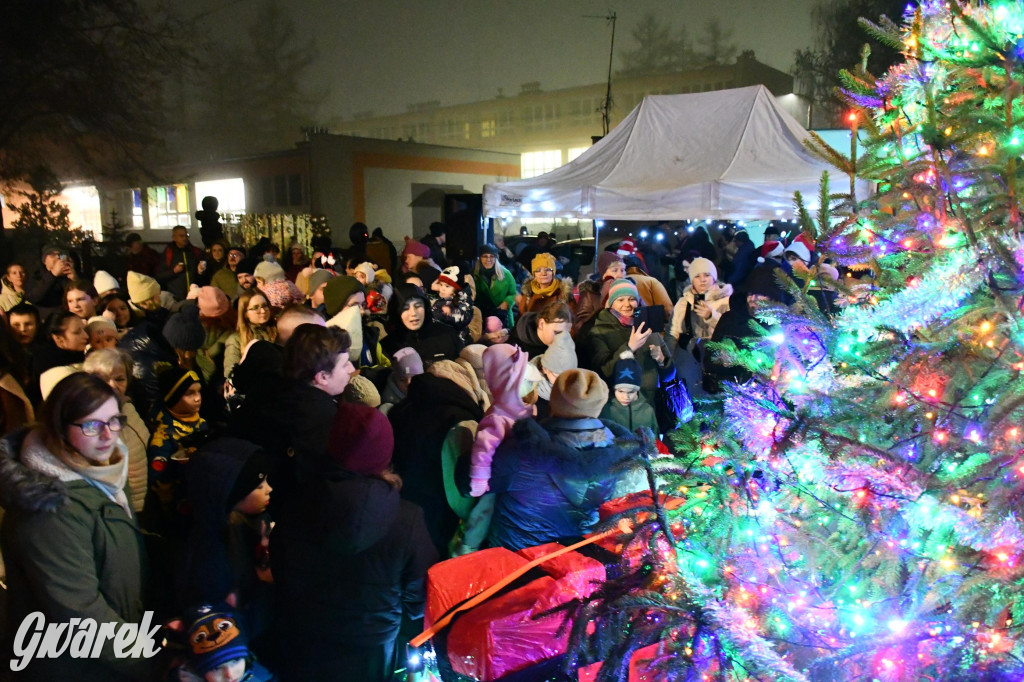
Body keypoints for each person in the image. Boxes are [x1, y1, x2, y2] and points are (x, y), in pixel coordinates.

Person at [0, 373, 156, 680]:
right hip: (75, 664)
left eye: (114, 420)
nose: (109, 435)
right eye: (91, 425)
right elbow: (80, 612)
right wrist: (146, 659)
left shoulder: (102, 470)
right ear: (58, 427)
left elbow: (115, 541)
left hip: (111, 649)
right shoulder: (48, 510)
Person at [272, 404, 437, 680]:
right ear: (385, 454)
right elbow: (420, 594)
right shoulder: (407, 518)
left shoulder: (297, 503)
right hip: (372, 639)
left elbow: (281, 567)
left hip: (307, 631)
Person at [487, 369, 638, 550]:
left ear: (553, 400)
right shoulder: (620, 451)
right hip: (574, 558)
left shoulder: (521, 448)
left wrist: (487, 437)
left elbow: (469, 483)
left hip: (517, 555)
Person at [180, 438, 274, 634]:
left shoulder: (251, 522)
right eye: (258, 486)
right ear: (229, 495)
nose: (269, 489)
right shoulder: (213, 553)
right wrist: (265, 584)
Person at [583, 278, 673, 406]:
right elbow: (603, 373)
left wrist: (662, 360)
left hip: (649, 407)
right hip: (617, 409)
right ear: (611, 303)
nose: (627, 304)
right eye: (620, 300)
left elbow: (670, 375)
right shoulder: (600, 331)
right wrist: (630, 347)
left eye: (631, 299)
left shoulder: (649, 328)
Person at [82, 348, 149, 513]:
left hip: (142, 503)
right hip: (115, 509)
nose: (113, 385)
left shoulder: (128, 409)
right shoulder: (88, 422)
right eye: (103, 379)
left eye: (120, 379)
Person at [381, 283, 462, 364]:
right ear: (397, 312)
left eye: (418, 306)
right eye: (405, 308)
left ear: (425, 307)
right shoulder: (388, 346)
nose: (413, 313)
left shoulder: (448, 334)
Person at [600, 351, 659, 434]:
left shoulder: (648, 411)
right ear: (614, 389)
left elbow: (655, 441)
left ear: (637, 390)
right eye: (620, 391)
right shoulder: (606, 410)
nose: (626, 397)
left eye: (631, 392)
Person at [224, 291, 277, 379]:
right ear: (245, 313)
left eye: (265, 305)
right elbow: (230, 373)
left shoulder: (279, 330)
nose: (263, 311)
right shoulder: (235, 340)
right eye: (255, 308)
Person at [26, 245, 77, 318]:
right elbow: (34, 297)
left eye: (60, 255)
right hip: (46, 319)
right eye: (52, 255)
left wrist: (74, 280)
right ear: (44, 261)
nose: (57, 257)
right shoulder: (36, 276)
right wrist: (53, 274)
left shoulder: (66, 276)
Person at [473, 243, 517, 328]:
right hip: (482, 316)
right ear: (480, 258)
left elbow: (513, 293)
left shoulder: (506, 274)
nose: (488, 259)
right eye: (485, 256)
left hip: (502, 316)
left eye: (492, 256)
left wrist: (507, 302)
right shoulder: (474, 274)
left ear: (496, 257)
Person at [428, 266, 474, 345]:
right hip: (440, 339)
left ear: (456, 289)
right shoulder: (442, 299)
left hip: (457, 341)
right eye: (441, 285)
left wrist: (451, 312)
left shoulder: (462, 302)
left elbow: (465, 317)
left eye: (447, 286)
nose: (442, 289)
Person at [157, 225, 205, 301]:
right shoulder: (168, 253)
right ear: (174, 238)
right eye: (181, 236)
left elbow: (203, 275)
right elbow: (159, 276)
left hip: (194, 296)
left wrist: (200, 271)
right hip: (175, 297)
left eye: (186, 235)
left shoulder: (196, 252)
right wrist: (173, 272)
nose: (185, 238)